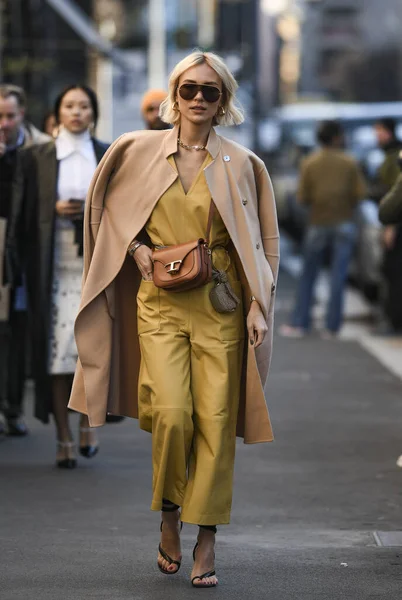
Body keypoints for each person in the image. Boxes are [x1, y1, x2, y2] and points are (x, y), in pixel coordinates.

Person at [68, 51, 279, 587]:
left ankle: (205, 538)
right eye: (190, 90)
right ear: (174, 94)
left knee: (215, 422)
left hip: (221, 304)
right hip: (158, 303)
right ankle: (169, 515)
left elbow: (265, 243)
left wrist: (261, 304)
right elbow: (110, 213)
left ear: (224, 100)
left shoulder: (243, 163)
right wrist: (138, 251)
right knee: (171, 413)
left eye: (212, 91)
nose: (200, 100)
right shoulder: (137, 152)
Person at [8, 85, 109, 466]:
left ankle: (88, 425)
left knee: (91, 349)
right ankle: (63, 437)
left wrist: (89, 212)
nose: (77, 112)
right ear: (58, 112)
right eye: (69, 106)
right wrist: (52, 208)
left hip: (94, 264)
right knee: (56, 354)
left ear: (93, 113)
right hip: (51, 263)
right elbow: (22, 214)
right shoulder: (37, 156)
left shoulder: (106, 153)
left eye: (84, 105)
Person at [280, 120, 366, 339]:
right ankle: (332, 326)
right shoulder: (350, 162)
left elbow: (302, 197)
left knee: (309, 274)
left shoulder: (310, 162)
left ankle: (301, 323)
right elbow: (360, 194)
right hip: (344, 223)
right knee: (339, 276)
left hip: (317, 223)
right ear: (337, 137)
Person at [0, 84, 50, 436]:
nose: (3, 123)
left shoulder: (41, 149)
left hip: (23, 254)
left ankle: (13, 408)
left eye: (9, 116)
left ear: (22, 115)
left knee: (16, 331)